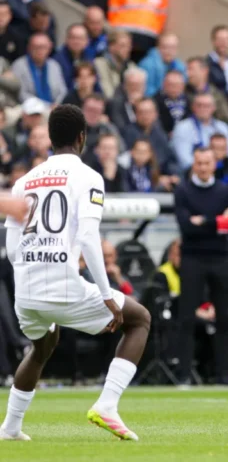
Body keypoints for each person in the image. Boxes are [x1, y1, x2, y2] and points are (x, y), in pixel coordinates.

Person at [0, 104, 151, 441]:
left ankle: (10, 428)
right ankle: (107, 405)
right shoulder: (89, 177)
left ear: (50, 139)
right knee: (139, 319)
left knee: (43, 345)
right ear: (83, 137)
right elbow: (86, 237)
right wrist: (107, 293)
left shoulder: (25, 180)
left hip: (25, 290)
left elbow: (11, 246)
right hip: (63, 285)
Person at [174, 146, 228, 385]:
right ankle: (183, 375)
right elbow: (186, 227)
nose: (203, 167)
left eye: (207, 163)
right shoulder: (182, 190)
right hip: (192, 258)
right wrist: (218, 220)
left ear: (214, 164)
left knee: (224, 317)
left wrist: (203, 221)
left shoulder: (225, 191)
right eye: (199, 163)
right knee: (186, 318)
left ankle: (224, 374)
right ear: (194, 164)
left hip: (221, 257)